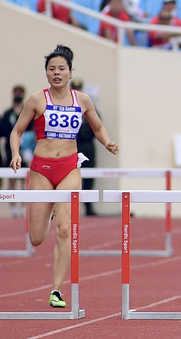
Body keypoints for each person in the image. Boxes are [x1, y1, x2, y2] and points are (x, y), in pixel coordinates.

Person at [9, 45, 119, 308]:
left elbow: (98, 125)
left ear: (70, 72)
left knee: (65, 229)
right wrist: (15, 153)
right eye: (52, 69)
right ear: (46, 73)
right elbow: (16, 131)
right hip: (41, 170)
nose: (57, 73)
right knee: (36, 237)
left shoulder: (82, 100)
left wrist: (107, 142)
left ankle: (56, 290)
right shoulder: (37, 99)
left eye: (61, 69)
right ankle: (48, 210)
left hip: (69, 167)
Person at [0, 85, 36, 218]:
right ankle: (13, 206)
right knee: (12, 177)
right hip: (11, 149)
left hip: (26, 148)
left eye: (21, 93)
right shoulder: (8, 113)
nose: (18, 95)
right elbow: (3, 131)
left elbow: (32, 130)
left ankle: (23, 205)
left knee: (24, 177)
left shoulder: (27, 111)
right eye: (16, 93)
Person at [70, 78, 98, 216]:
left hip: (87, 145)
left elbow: (97, 125)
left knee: (89, 177)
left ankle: (88, 206)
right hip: (72, 145)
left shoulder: (88, 105)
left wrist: (84, 134)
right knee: (69, 177)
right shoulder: (65, 106)